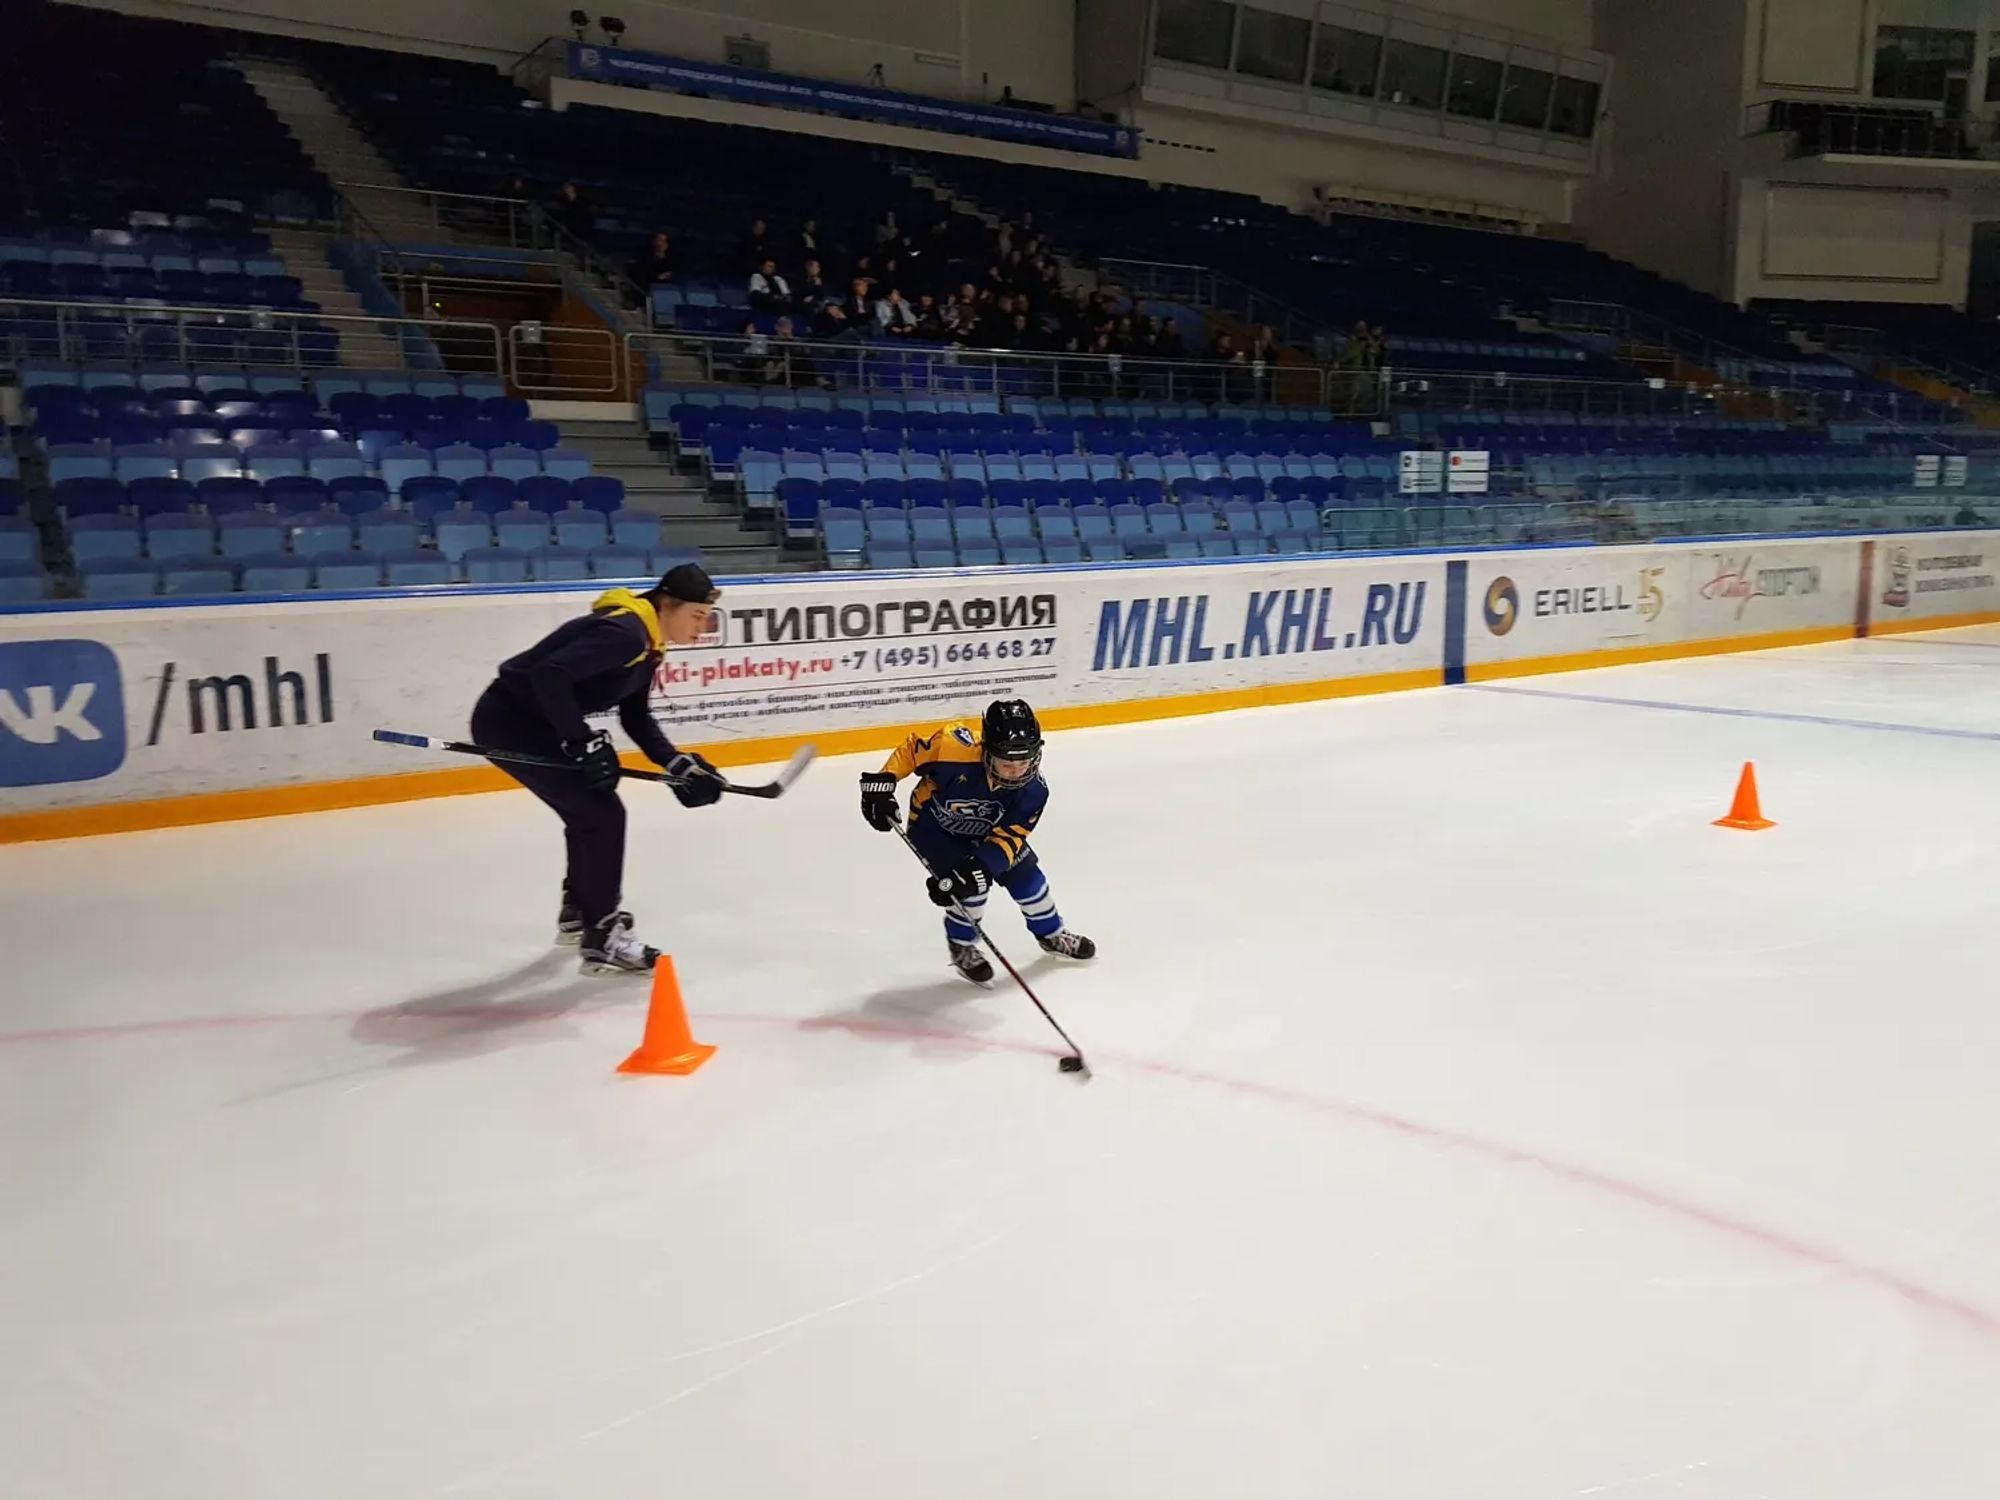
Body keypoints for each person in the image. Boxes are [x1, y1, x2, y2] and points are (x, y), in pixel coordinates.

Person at [470, 565, 724, 974]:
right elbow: (549, 675)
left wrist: (678, 764)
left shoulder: (648, 642)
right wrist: (578, 738)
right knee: (603, 814)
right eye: (696, 615)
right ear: (666, 604)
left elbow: (636, 716)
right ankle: (602, 931)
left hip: (538, 724)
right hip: (512, 725)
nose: (703, 625)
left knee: (588, 812)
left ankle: (580, 911)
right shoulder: (624, 635)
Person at [858, 700, 1095, 983]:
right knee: (968, 892)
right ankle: (963, 946)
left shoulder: (1034, 792)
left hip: (988, 834)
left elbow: (1010, 837)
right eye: (1007, 763)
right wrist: (883, 783)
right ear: (987, 752)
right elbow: (912, 750)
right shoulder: (953, 748)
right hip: (934, 828)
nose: (1017, 771)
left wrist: (982, 868)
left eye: (1024, 762)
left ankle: (1052, 934)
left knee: (1030, 882)